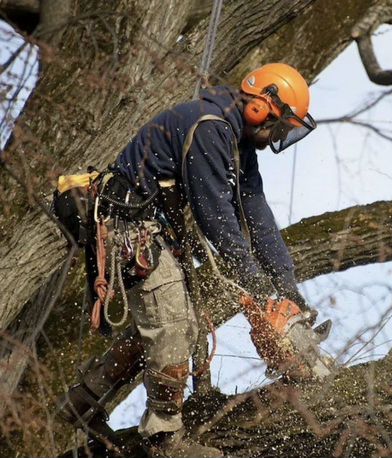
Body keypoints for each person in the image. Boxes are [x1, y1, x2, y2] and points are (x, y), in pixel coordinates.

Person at [55, 63, 320, 458]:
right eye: (279, 125)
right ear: (262, 105)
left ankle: (82, 400)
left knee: (180, 322)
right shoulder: (210, 127)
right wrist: (261, 291)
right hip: (131, 225)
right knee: (172, 324)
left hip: (153, 230)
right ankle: (163, 439)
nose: (278, 135)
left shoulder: (238, 143)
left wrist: (286, 288)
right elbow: (218, 222)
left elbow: (256, 213)